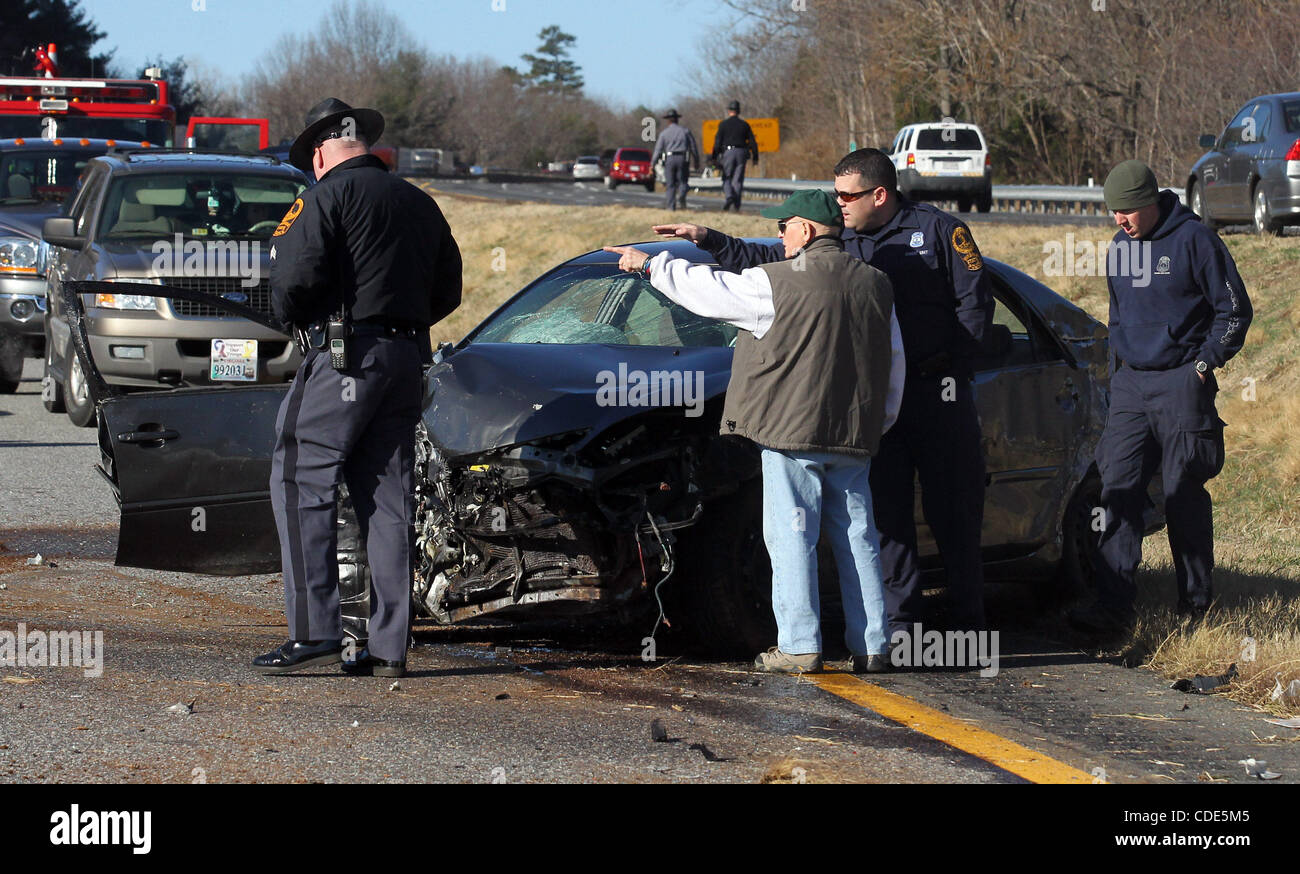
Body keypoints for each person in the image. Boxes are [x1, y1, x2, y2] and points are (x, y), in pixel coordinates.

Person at [654, 148, 994, 643]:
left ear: (880, 194)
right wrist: (710, 240)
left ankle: (966, 630)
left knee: (953, 515)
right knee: (885, 522)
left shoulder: (939, 231)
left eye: (846, 195)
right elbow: (773, 262)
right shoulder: (840, 239)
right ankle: (898, 633)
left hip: (937, 400)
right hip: (876, 400)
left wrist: (948, 372)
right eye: (834, 195)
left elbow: (975, 307)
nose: (838, 204)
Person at [606, 189, 905, 674]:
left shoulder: (775, 282)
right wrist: (877, 423)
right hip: (855, 436)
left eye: (783, 227)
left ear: (806, 231)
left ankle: (799, 645)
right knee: (858, 538)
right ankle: (873, 645)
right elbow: (894, 366)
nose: (779, 237)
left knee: (791, 536)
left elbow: (709, 292)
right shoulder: (876, 284)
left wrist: (650, 266)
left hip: (789, 434)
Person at [252, 97, 462, 678]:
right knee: (389, 498)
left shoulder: (321, 198)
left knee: (300, 476)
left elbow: (293, 281)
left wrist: (311, 320)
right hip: (406, 360)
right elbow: (450, 289)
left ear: (320, 153)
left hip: (345, 359)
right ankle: (389, 645)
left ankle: (314, 631)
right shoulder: (420, 202)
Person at [1068, 160, 1252, 634]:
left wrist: (1204, 364)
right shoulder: (1119, 247)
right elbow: (1118, 315)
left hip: (1181, 381)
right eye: (1112, 213)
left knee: (1181, 493)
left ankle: (1195, 609)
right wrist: (1116, 378)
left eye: (1126, 211)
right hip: (1131, 384)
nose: (1119, 221)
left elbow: (1233, 310)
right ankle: (1113, 608)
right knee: (1118, 490)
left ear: (1150, 202)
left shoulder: (1195, 240)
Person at [711, 100, 759, 212]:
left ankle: (729, 197)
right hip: (742, 153)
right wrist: (755, 157)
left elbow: (717, 142)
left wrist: (714, 157)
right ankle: (736, 206)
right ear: (739, 111)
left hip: (728, 153)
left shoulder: (723, 124)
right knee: (738, 179)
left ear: (729, 111)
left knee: (726, 177)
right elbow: (752, 142)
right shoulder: (744, 125)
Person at [650, 109, 699, 211]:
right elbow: (693, 147)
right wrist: (696, 160)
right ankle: (681, 195)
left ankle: (671, 207)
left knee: (670, 184)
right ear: (677, 119)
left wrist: (652, 164)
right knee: (682, 181)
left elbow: (658, 150)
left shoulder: (664, 133)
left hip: (670, 158)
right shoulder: (685, 131)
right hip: (683, 158)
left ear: (668, 120)